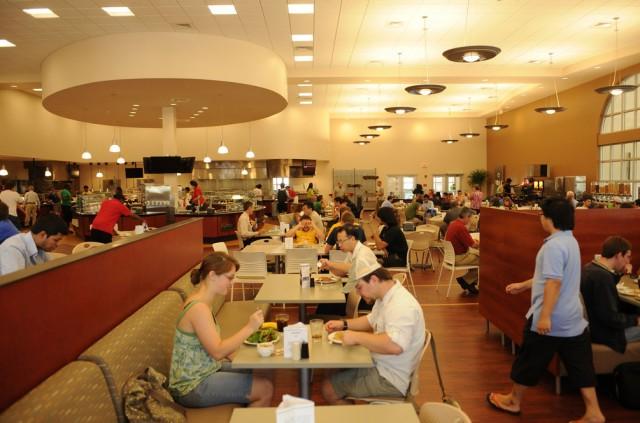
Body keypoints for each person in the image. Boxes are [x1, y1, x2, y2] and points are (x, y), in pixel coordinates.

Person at [487, 198, 605, 423]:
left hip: (552, 318)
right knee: (580, 365)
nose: (540, 217)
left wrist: (545, 317)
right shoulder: (570, 241)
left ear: (550, 219)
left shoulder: (553, 247)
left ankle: (513, 400)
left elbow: (553, 283)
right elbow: (549, 277)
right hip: (573, 317)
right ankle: (594, 412)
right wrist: (523, 285)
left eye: (542, 214)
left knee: (528, 360)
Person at [168, 252, 273, 407]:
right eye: (229, 277)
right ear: (212, 276)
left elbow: (212, 341)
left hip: (205, 369)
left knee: (256, 370)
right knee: (265, 389)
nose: (232, 282)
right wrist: (250, 327)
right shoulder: (199, 308)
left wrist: (242, 360)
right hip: (191, 386)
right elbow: (217, 351)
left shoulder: (201, 301)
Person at [321, 262, 425, 404]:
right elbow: (371, 320)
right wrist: (344, 324)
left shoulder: (402, 305)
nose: (358, 293)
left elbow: (395, 346)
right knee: (334, 368)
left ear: (374, 280)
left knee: (328, 389)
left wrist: (357, 337)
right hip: (381, 364)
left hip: (391, 378)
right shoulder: (386, 296)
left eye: (359, 287)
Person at [581, 236, 640, 353]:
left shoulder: (590, 268)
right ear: (618, 255)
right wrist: (636, 320)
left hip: (595, 327)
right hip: (607, 334)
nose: (628, 262)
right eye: (627, 257)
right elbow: (611, 318)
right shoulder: (603, 278)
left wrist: (620, 274)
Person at [0, 214, 68, 275]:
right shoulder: (13, 249)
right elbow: (14, 286)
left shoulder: (39, 247)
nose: (58, 244)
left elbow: (49, 271)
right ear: (42, 235)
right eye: (56, 240)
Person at [445, 207, 480, 295]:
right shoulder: (461, 227)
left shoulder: (453, 224)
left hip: (451, 257)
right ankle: (465, 280)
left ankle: (470, 283)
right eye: (471, 217)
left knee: (476, 256)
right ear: (467, 217)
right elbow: (473, 246)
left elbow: (467, 242)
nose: (471, 220)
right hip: (458, 258)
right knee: (484, 260)